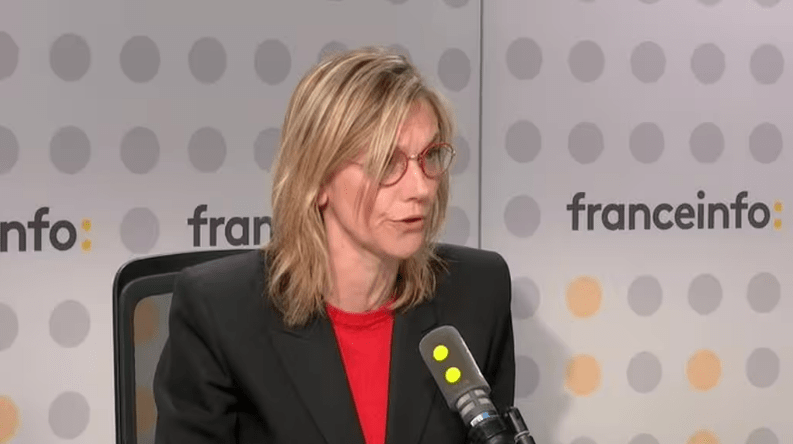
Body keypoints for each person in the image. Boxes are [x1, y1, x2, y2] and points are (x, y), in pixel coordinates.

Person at [153, 45, 515, 444]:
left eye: (429, 157)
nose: (421, 187)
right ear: (318, 179)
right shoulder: (220, 311)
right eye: (386, 162)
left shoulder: (478, 293)